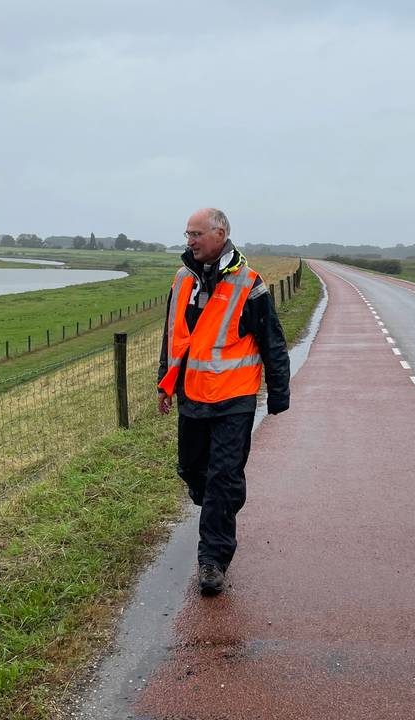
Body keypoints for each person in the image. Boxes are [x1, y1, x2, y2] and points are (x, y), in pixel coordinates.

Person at [157, 208, 290, 596]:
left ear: (221, 233)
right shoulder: (182, 279)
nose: (190, 241)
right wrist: (165, 383)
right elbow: (173, 336)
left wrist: (278, 393)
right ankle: (226, 496)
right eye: (187, 234)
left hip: (235, 399)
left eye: (197, 234)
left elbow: (272, 341)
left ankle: (212, 560)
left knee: (222, 477)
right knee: (193, 472)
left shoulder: (250, 284)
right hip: (192, 397)